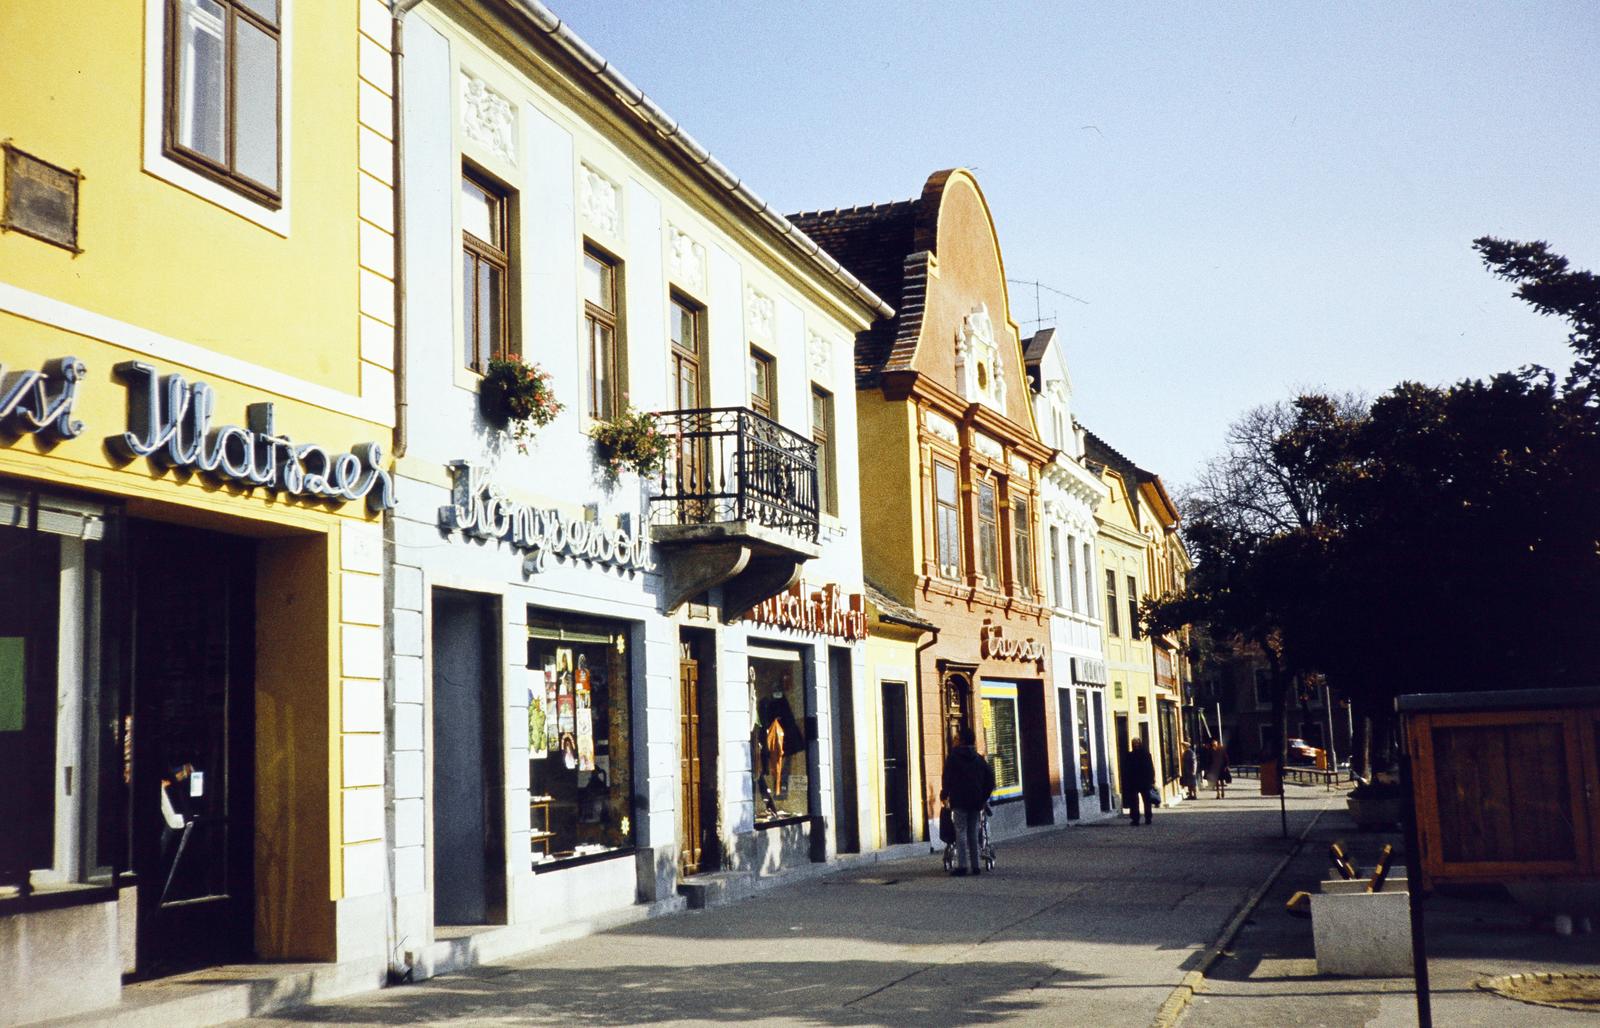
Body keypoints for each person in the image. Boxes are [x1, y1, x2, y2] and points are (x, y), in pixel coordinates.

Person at [939, 725, 995, 876]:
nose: (954, 741)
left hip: (959, 801)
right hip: (976, 801)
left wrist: (944, 795)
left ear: (962, 741)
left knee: (961, 832)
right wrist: (983, 797)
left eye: (956, 738)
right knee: (973, 832)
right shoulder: (978, 759)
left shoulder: (953, 758)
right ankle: (976, 866)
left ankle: (962, 866)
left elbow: (947, 779)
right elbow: (990, 780)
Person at [1122, 736, 1156, 826]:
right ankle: (1135, 819)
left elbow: (1150, 768)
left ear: (1140, 744)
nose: (1136, 745)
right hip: (1134, 782)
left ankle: (1148, 818)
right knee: (1134, 801)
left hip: (1144, 781)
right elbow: (1126, 769)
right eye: (1134, 743)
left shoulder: (1146, 754)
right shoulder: (1130, 755)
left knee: (1146, 800)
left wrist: (1152, 779)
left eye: (1137, 743)